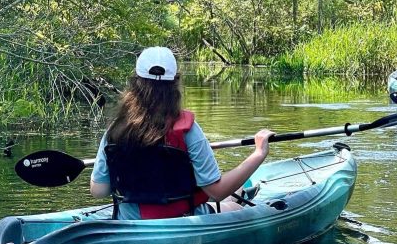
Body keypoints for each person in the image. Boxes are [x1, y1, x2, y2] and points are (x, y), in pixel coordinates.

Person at [90, 46, 273, 219]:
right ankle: (238, 195)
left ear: (135, 82)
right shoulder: (189, 131)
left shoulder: (116, 130)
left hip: (130, 220)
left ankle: (239, 191)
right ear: (175, 82)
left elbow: (98, 191)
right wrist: (258, 153)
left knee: (233, 193)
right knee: (234, 206)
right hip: (183, 219)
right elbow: (216, 193)